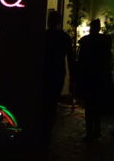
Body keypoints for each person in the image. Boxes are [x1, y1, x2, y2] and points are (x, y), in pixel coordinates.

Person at [40, 10, 75, 145]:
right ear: (59, 22)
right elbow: (71, 59)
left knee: (43, 102)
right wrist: (72, 77)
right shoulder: (64, 37)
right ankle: (47, 133)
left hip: (44, 72)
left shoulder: (43, 36)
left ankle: (42, 132)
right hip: (58, 73)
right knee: (52, 104)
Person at [75, 18, 114, 140]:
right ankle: (96, 130)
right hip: (99, 78)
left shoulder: (86, 42)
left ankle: (90, 132)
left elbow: (81, 61)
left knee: (89, 107)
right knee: (97, 106)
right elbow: (108, 60)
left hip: (89, 78)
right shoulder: (105, 41)